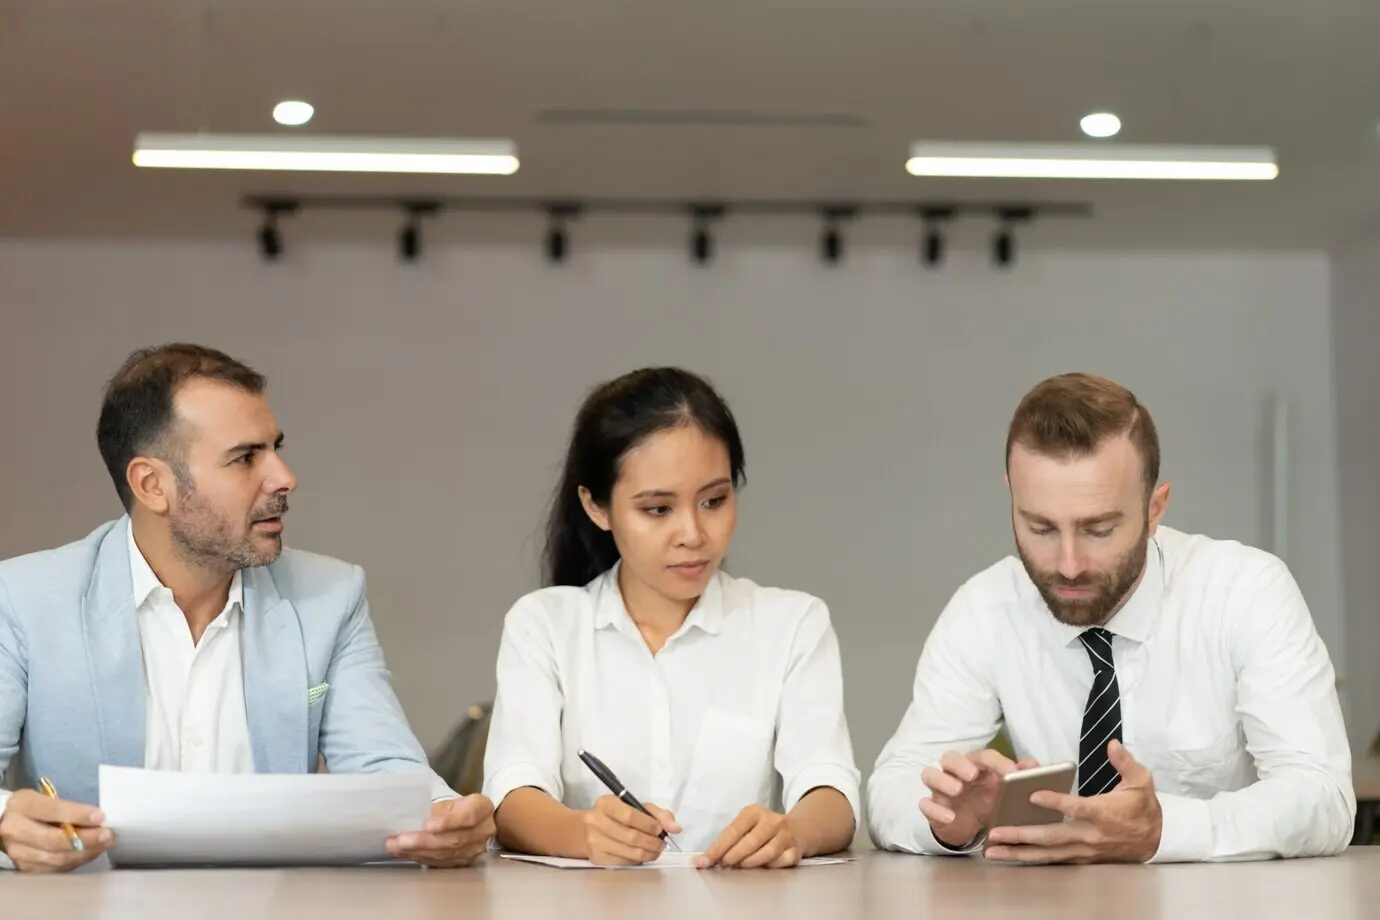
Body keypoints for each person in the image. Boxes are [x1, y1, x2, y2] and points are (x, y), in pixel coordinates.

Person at [0, 344, 495, 872]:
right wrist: (7, 824)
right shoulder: (24, 599)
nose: (284, 477)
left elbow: (385, 767)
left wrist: (444, 815)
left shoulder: (329, 597)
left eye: (276, 449)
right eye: (245, 458)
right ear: (153, 484)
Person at [868, 372, 1354, 864]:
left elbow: (1323, 796)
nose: (1068, 563)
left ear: (1155, 508)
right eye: (1040, 528)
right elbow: (892, 784)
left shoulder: (1246, 592)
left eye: (1098, 529)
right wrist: (951, 820)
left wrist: (1166, 830)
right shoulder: (985, 608)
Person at [482, 367, 860, 868]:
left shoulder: (791, 624)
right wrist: (582, 832)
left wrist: (792, 831)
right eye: (658, 509)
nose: (693, 533)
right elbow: (512, 794)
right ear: (596, 506)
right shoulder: (546, 626)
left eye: (714, 501)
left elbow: (830, 790)